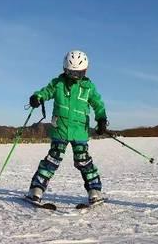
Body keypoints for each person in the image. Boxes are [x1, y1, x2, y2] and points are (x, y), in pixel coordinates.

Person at [26, 50, 108, 205]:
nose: (74, 77)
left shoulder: (88, 87)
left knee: (83, 160)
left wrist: (102, 119)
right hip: (60, 129)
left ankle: (94, 190)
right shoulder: (58, 83)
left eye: (78, 73)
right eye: (71, 73)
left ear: (85, 70)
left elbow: (98, 103)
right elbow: (47, 91)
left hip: (80, 131)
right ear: (65, 69)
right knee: (52, 160)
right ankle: (36, 190)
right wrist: (37, 97)